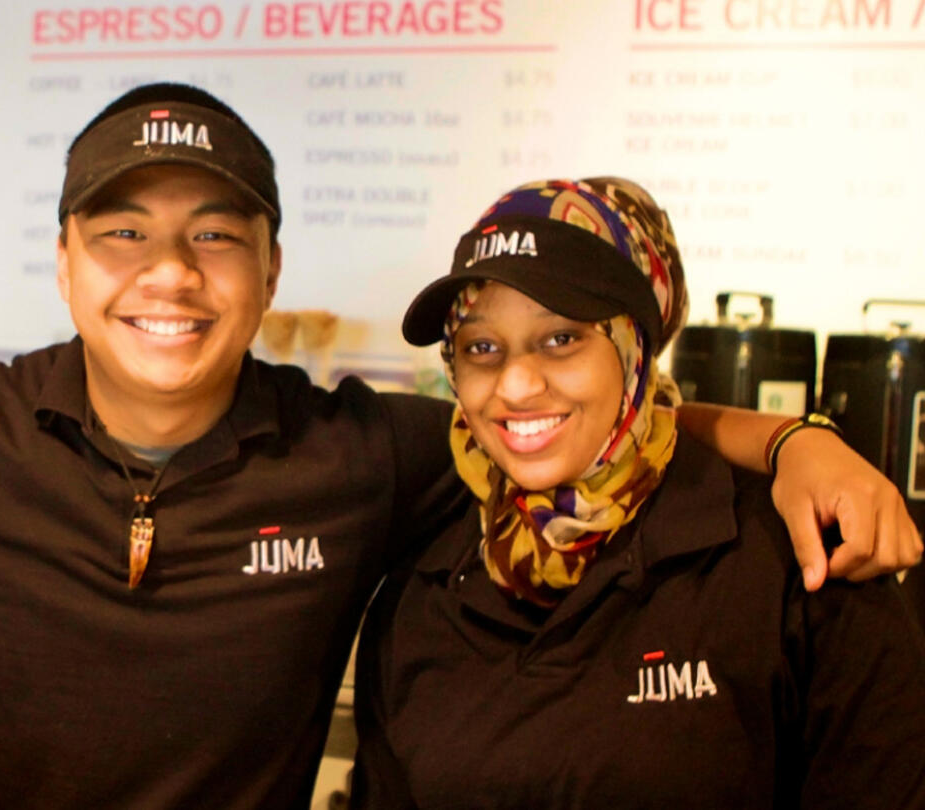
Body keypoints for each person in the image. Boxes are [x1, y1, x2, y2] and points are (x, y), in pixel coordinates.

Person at [0, 87, 918, 810]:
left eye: (212, 237)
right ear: (62, 262)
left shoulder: (363, 451)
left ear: (268, 265)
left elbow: (555, 421)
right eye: (124, 234)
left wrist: (788, 438)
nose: (166, 275)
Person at [350, 178, 925, 809]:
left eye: (561, 338)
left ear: (633, 348)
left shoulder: (792, 557)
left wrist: (798, 441)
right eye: (481, 347)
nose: (515, 386)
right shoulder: (424, 585)